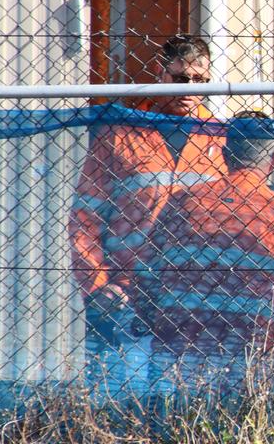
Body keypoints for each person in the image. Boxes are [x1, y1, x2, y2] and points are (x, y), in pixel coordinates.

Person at [70, 34, 227, 392]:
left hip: (193, 292)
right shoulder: (121, 132)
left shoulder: (219, 136)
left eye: (200, 81)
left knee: (184, 394)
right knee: (111, 391)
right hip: (124, 291)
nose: (189, 89)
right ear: (160, 73)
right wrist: (97, 285)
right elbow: (85, 217)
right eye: (180, 78)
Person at [132, 111, 274, 394]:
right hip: (254, 355)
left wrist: (150, 316)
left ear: (224, 154)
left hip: (178, 352)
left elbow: (145, 277)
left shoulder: (181, 202)